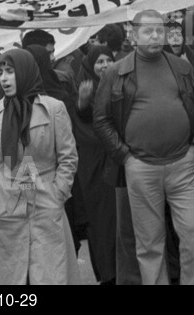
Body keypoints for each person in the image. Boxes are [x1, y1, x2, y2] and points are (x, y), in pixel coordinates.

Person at [93, 9, 194, 285]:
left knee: (193, 233)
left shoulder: (182, 67)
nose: (156, 35)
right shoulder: (116, 72)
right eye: (149, 31)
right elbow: (101, 119)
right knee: (149, 243)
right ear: (134, 35)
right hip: (141, 167)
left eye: (160, 30)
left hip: (183, 165)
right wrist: (126, 157)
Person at [0, 48, 79, 285]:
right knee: (8, 276)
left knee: (49, 274)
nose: (4, 78)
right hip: (6, 204)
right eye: (1, 72)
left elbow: (68, 157)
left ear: (25, 72)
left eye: (10, 72)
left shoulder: (54, 109)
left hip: (46, 202)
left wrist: (58, 192)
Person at [71, 44, 118, 285]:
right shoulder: (84, 90)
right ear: (90, 65)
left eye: (108, 60)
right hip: (96, 170)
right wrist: (82, 101)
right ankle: (108, 274)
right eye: (99, 61)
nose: (104, 66)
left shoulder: (120, 84)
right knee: (101, 224)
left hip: (118, 164)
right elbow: (82, 119)